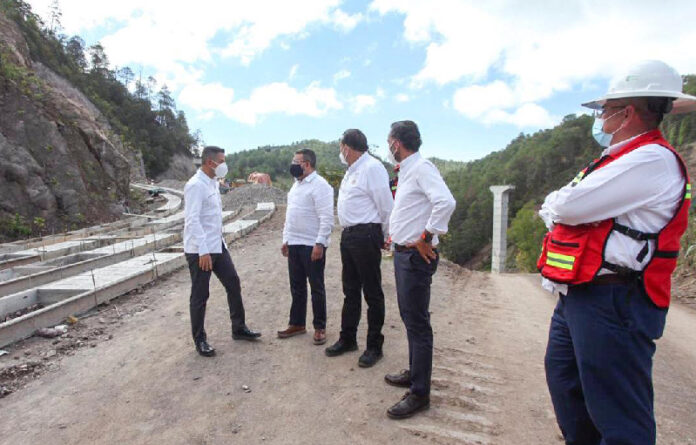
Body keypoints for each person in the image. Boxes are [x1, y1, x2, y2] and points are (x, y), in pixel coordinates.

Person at [538, 60, 694, 445]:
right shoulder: (618, 160)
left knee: (619, 413)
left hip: (614, 300)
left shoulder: (651, 160)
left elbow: (568, 206)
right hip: (581, 292)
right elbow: (564, 205)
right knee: (567, 386)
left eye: (605, 111)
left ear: (627, 113)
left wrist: (561, 205)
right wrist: (563, 205)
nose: (601, 120)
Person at [382, 120, 456, 419]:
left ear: (396, 143)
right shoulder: (409, 171)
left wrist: (426, 236)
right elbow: (413, 209)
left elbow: (446, 202)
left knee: (418, 323)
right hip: (403, 255)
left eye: (389, 141)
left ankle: (420, 393)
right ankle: (415, 373)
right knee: (410, 318)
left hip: (414, 259)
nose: (388, 146)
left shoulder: (423, 168)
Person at [325, 129, 393, 368]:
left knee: (372, 292)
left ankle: (374, 346)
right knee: (350, 290)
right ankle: (348, 338)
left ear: (347, 147)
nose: (340, 151)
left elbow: (386, 205)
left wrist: (386, 235)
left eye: (341, 146)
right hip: (350, 235)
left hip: (366, 234)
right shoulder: (352, 170)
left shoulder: (371, 168)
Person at [184, 146, 261, 357]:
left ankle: (239, 328)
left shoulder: (212, 184)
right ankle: (200, 340)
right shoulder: (195, 186)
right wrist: (203, 251)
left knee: (233, 283)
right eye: (222, 161)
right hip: (200, 250)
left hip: (217, 245)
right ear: (210, 163)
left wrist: (217, 244)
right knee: (200, 295)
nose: (224, 165)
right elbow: (192, 220)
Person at [278, 149, 334, 345]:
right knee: (297, 287)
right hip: (294, 243)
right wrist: (286, 239)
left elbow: (327, 218)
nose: (293, 164)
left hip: (312, 244)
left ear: (307, 164)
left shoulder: (321, 186)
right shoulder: (295, 186)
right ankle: (297, 323)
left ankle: (320, 327)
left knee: (316, 287)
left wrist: (320, 242)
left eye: (296, 161)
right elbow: (289, 216)